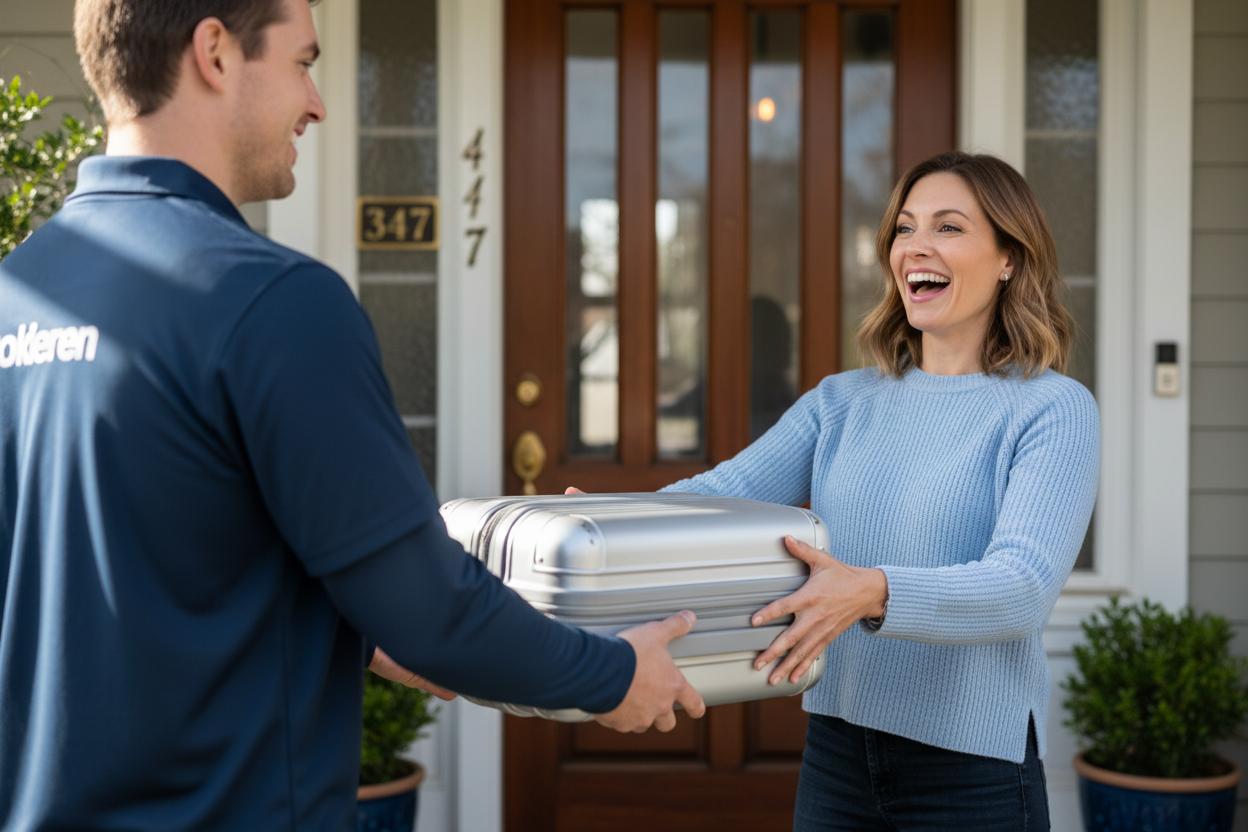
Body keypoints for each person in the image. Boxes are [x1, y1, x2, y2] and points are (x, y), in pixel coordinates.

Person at [0, 0, 705, 829]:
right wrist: (615, 677)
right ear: (216, 54)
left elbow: (154, 555)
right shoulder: (272, 303)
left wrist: (364, 635)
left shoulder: (21, 292)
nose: (319, 103)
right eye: (304, 63)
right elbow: (430, 610)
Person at [656, 152, 1099, 829]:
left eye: (948, 228)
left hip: (973, 775)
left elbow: (1021, 588)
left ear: (1010, 256)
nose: (916, 246)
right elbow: (723, 496)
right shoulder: (842, 402)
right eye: (904, 228)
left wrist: (872, 591)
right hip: (837, 755)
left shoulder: (1052, 409)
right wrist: (601, 522)